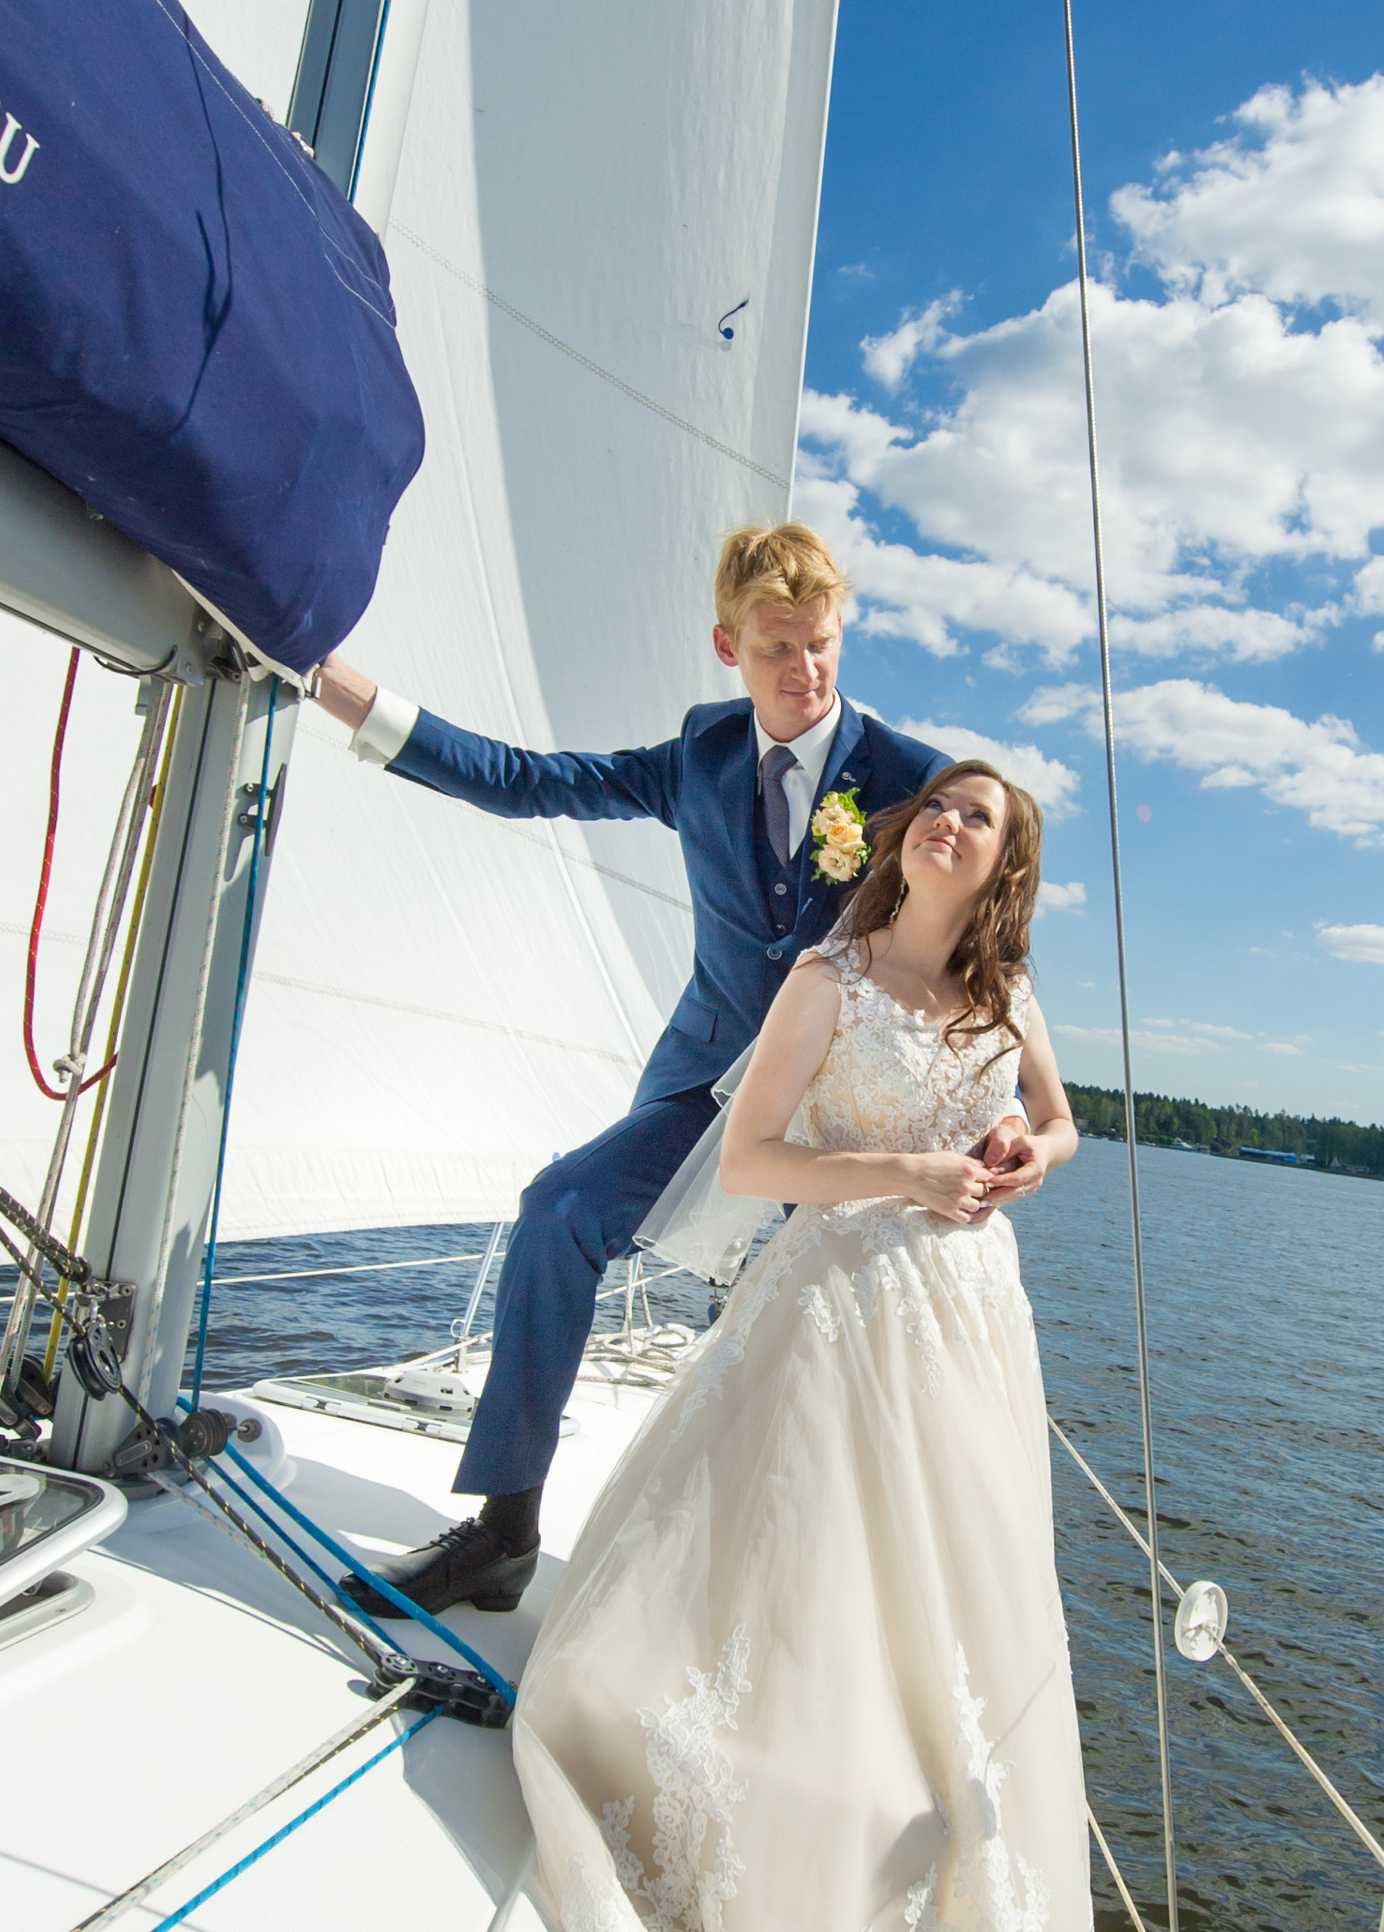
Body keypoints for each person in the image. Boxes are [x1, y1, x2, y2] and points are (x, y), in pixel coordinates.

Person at [510, 765, 1115, 1932]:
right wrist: (907, 1179)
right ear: (903, 839)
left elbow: (1063, 1122)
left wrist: (1014, 1153)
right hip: (840, 1316)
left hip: (970, 1336)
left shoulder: (1005, 993)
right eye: (940, 805)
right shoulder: (827, 981)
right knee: (810, 1603)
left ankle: (926, 1845)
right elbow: (765, 1160)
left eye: (983, 818)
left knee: (954, 1648)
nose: (951, 824)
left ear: (1005, 866)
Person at [310, 524, 960, 1613]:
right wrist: (353, 700)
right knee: (558, 1208)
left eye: (823, 644)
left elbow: (979, 951)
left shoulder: (913, 781)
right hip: (704, 1094)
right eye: (777, 649)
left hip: (843, 1115)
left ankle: (765, 1597)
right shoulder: (702, 755)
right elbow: (526, 781)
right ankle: (505, 1534)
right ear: (727, 645)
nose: (805, 671)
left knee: (779, 1337)